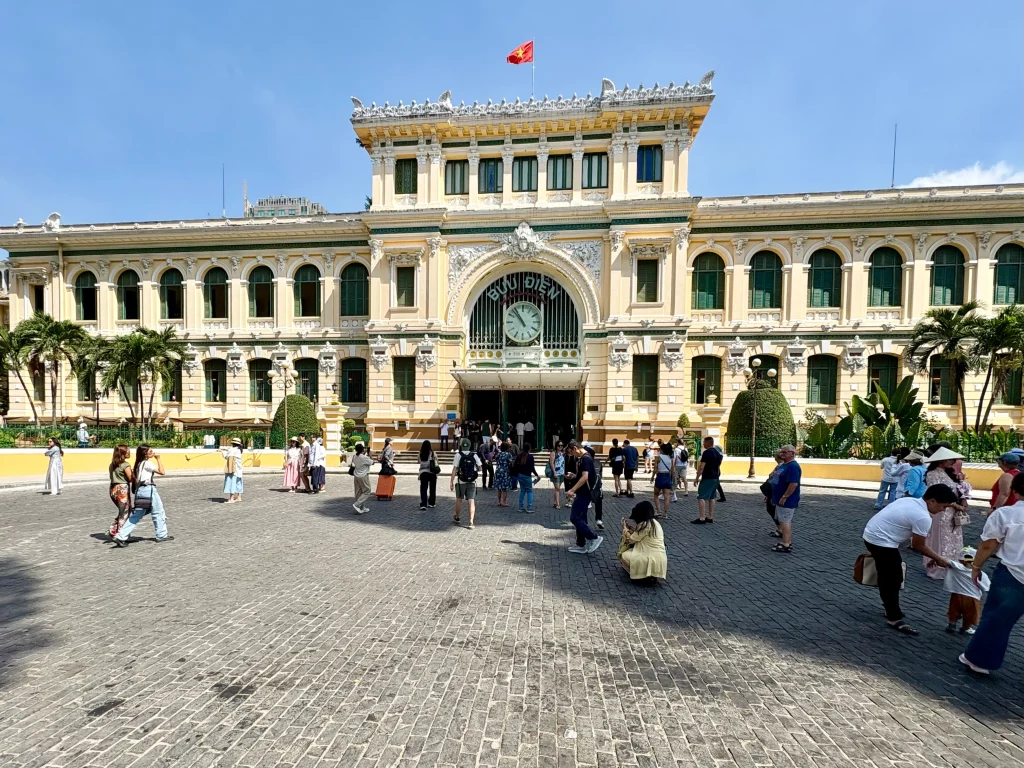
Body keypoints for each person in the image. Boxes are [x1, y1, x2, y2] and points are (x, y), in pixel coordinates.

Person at [861, 485, 956, 635]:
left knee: (890, 576)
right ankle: (893, 617)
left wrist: (934, 557)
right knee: (893, 579)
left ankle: (890, 608)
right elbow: (918, 545)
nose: (943, 510)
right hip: (881, 541)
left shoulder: (910, 501)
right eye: (943, 506)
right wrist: (938, 558)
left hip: (871, 534)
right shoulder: (922, 516)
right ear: (932, 501)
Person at [960, 472, 1024, 674]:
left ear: (1014, 490)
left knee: (997, 618)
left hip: (1014, 574)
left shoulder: (1005, 514)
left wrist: (976, 567)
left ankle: (980, 661)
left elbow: (988, 545)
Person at [113, 444, 173, 547]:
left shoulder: (139, 464)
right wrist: (158, 459)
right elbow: (162, 472)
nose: (152, 452)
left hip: (141, 490)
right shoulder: (147, 463)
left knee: (139, 513)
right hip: (148, 489)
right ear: (145, 453)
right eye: (150, 451)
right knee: (158, 511)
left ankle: (121, 535)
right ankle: (161, 535)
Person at [922, 447, 968, 579]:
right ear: (941, 460)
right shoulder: (932, 474)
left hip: (952, 510)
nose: (953, 462)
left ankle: (953, 564)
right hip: (941, 510)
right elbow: (936, 494)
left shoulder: (949, 473)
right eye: (950, 459)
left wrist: (963, 498)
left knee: (953, 537)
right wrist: (955, 505)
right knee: (941, 537)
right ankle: (938, 565)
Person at [564, 440, 603, 554]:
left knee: (574, 517)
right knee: (581, 518)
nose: (572, 455)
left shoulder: (585, 459)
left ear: (575, 448)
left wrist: (572, 489)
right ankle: (580, 544)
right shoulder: (584, 458)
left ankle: (593, 537)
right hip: (583, 493)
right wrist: (574, 475)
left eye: (572, 452)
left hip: (584, 494)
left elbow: (585, 477)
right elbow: (584, 475)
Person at [617, 500, 667, 583]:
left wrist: (625, 529)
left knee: (624, 555)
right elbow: (640, 535)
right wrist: (632, 529)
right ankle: (650, 574)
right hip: (660, 558)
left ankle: (642, 574)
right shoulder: (655, 523)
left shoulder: (644, 525)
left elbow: (631, 540)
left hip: (649, 558)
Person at [944, 547, 989, 635]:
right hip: (972, 598)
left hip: (957, 594)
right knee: (970, 614)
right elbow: (987, 587)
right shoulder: (980, 574)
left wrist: (934, 560)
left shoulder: (957, 567)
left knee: (954, 611)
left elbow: (945, 561)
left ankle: (951, 625)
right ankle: (965, 628)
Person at [770, 445, 801, 553]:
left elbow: (793, 484)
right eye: (781, 452)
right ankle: (786, 541)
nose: (782, 454)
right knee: (783, 520)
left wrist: (785, 496)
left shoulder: (793, 466)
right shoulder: (784, 465)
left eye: (785, 452)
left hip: (787, 500)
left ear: (792, 454)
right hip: (779, 498)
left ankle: (786, 543)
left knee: (785, 521)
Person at [450, 438, 482, 528]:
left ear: (461, 445)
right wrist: (473, 471)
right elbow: (480, 468)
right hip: (472, 481)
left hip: (461, 481)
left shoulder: (458, 455)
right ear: (469, 445)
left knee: (459, 499)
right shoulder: (474, 455)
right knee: (471, 500)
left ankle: (457, 517)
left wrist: (451, 481)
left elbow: (454, 469)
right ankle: (471, 521)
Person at [692, 436, 722, 524]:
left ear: (708, 443)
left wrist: (697, 478)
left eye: (704, 442)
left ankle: (702, 518)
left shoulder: (706, 453)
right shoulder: (718, 453)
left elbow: (702, 467)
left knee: (701, 496)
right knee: (712, 497)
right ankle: (710, 517)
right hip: (715, 477)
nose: (703, 444)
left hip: (707, 477)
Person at [107, 444, 134, 539]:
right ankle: (120, 534)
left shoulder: (112, 465)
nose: (129, 453)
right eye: (127, 451)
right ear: (122, 453)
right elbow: (130, 478)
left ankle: (116, 530)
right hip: (122, 489)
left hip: (113, 488)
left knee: (122, 511)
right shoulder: (125, 465)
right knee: (125, 513)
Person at [583, 443, 605, 530]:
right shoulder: (598, 463)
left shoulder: (585, 462)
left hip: (587, 486)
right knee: (599, 503)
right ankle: (599, 519)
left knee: (583, 504)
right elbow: (600, 474)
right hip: (597, 485)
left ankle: (584, 521)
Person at [762, 451, 784, 538]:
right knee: (772, 510)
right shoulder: (781, 466)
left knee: (772, 509)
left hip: (775, 491)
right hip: (773, 491)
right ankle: (780, 528)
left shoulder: (781, 466)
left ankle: (781, 529)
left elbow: (774, 479)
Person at [514, 443, 542, 513]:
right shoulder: (530, 457)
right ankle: (529, 508)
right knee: (529, 491)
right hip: (527, 475)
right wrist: (536, 475)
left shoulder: (519, 456)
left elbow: (515, 466)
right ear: (529, 449)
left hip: (520, 475)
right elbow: (532, 468)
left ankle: (520, 507)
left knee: (522, 491)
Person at [651, 442, 675, 519]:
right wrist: (672, 479)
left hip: (660, 476)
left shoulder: (658, 458)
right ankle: (665, 513)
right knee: (667, 496)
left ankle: (659, 511)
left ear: (662, 450)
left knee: (656, 495)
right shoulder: (670, 458)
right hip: (667, 477)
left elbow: (655, 469)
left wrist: (652, 477)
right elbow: (672, 470)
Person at [350, 443, 374, 514]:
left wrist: (364, 453)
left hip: (356, 475)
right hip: (363, 476)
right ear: (362, 450)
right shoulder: (364, 457)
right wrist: (370, 454)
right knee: (367, 491)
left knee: (358, 492)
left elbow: (359, 458)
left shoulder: (354, 456)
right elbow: (372, 462)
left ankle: (362, 507)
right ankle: (357, 504)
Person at [220, 438, 244, 503]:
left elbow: (227, 457)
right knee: (238, 482)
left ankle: (231, 498)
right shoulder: (239, 450)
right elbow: (229, 449)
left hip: (233, 469)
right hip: (238, 469)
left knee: (232, 482)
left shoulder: (232, 450)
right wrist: (225, 449)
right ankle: (239, 497)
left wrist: (222, 451)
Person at [417, 439, 439, 510]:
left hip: (423, 473)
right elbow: (436, 461)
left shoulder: (420, 453)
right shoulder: (433, 453)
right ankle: (432, 503)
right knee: (432, 488)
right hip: (432, 473)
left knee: (423, 488)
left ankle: (423, 504)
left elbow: (418, 461)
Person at [494, 439, 514, 507]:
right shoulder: (508, 454)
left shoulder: (499, 454)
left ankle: (499, 501)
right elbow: (510, 462)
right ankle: (504, 502)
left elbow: (496, 459)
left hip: (498, 471)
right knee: (505, 488)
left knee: (499, 487)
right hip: (505, 471)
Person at [548, 441, 566, 509]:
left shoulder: (563, 453)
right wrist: (554, 472)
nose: (560, 447)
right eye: (559, 445)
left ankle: (555, 502)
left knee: (557, 488)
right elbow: (551, 463)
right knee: (557, 488)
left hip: (562, 473)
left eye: (562, 445)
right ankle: (558, 504)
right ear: (556, 446)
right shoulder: (553, 453)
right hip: (556, 473)